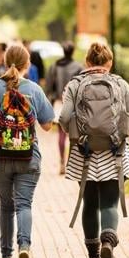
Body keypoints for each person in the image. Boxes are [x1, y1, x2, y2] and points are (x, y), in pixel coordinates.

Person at [59, 42, 129, 258]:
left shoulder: (75, 85)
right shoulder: (120, 84)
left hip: (83, 153)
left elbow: (64, 117)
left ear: (87, 63)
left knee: (90, 203)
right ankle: (108, 242)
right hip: (115, 153)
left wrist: (76, 133)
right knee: (109, 203)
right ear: (109, 63)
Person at [0, 44, 55, 258]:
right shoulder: (34, 90)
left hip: (0, 156)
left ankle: (5, 256)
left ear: (4, 61)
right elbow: (48, 125)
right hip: (28, 156)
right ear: (27, 64)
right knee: (24, 204)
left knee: (6, 205)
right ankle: (24, 246)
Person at [45, 41, 83, 175]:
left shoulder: (54, 66)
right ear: (72, 51)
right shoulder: (79, 67)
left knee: (61, 134)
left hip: (59, 104)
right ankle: (71, 164)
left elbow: (48, 88)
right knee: (73, 135)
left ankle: (62, 161)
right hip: (74, 104)